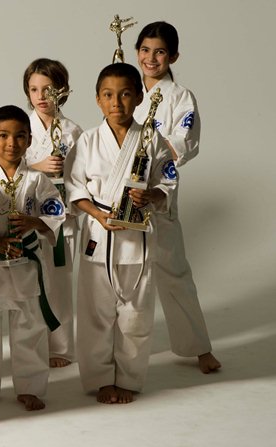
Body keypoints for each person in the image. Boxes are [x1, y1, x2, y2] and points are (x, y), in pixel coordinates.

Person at [65, 63, 177, 404]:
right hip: (98, 236)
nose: (117, 103)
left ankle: (128, 379)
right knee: (94, 313)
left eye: (126, 94)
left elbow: (168, 183)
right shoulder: (87, 140)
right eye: (109, 95)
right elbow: (74, 187)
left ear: (139, 97)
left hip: (137, 237)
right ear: (98, 100)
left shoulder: (152, 139)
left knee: (136, 315)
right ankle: (101, 380)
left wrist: (152, 195)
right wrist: (97, 214)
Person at [0, 105, 65, 411]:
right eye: (4, 136)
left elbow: (56, 210)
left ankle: (30, 387)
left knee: (29, 326)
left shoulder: (36, 180)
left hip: (24, 263)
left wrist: (35, 223)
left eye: (20, 136)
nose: (12, 143)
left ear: (30, 140)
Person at [134, 21, 221, 374]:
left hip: (156, 188)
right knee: (124, 277)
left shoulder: (181, 97)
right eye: (144, 50)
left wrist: (143, 159)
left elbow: (184, 144)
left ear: (173, 56)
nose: (151, 58)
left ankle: (199, 348)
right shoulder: (128, 88)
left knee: (174, 271)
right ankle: (122, 353)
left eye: (159, 52)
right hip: (120, 192)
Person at [22, 58, 83, 368]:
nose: (41, 96)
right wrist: (37, 166)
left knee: (59, 283)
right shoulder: (22, 127)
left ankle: (60, 347)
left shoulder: (73, 131)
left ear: (62, 91)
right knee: (29, 283)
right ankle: (30, 346)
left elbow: (83, 177)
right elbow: (7, 168)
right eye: (34, 89)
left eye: (48, 89)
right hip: (27, 217)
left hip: (63, 218)